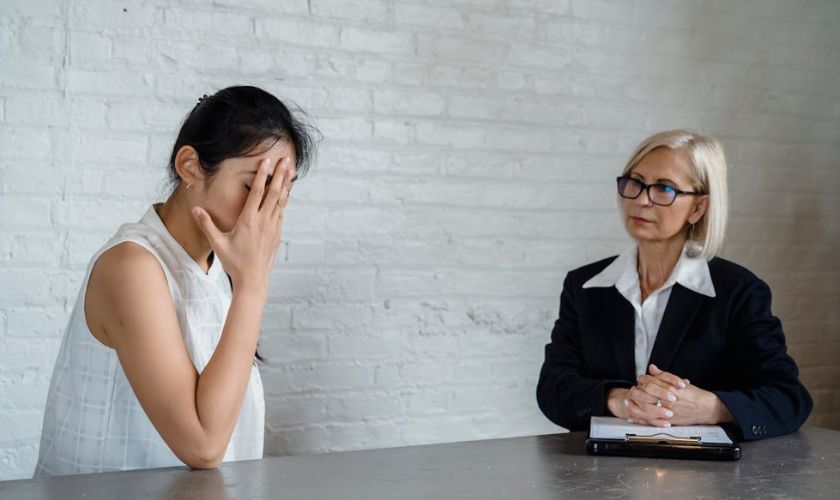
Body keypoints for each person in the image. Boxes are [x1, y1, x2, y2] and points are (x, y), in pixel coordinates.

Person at [34, 85, 317, 476]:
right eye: (253, 187)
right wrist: (253, 285)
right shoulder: (131, 266)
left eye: (281, 191)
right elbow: (203, 445)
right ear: (189, 166)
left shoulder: (221, 267)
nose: (266, 209)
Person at [536, 129, 812, 441]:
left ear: (698, 208)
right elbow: (552, 388)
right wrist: (620, 400)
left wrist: (712, 407)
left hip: (703, 479)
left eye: (664, 189)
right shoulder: (584, 286)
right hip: (599, 474)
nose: (641, 200)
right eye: (635, 183)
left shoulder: (739, 291)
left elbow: (789, 399)